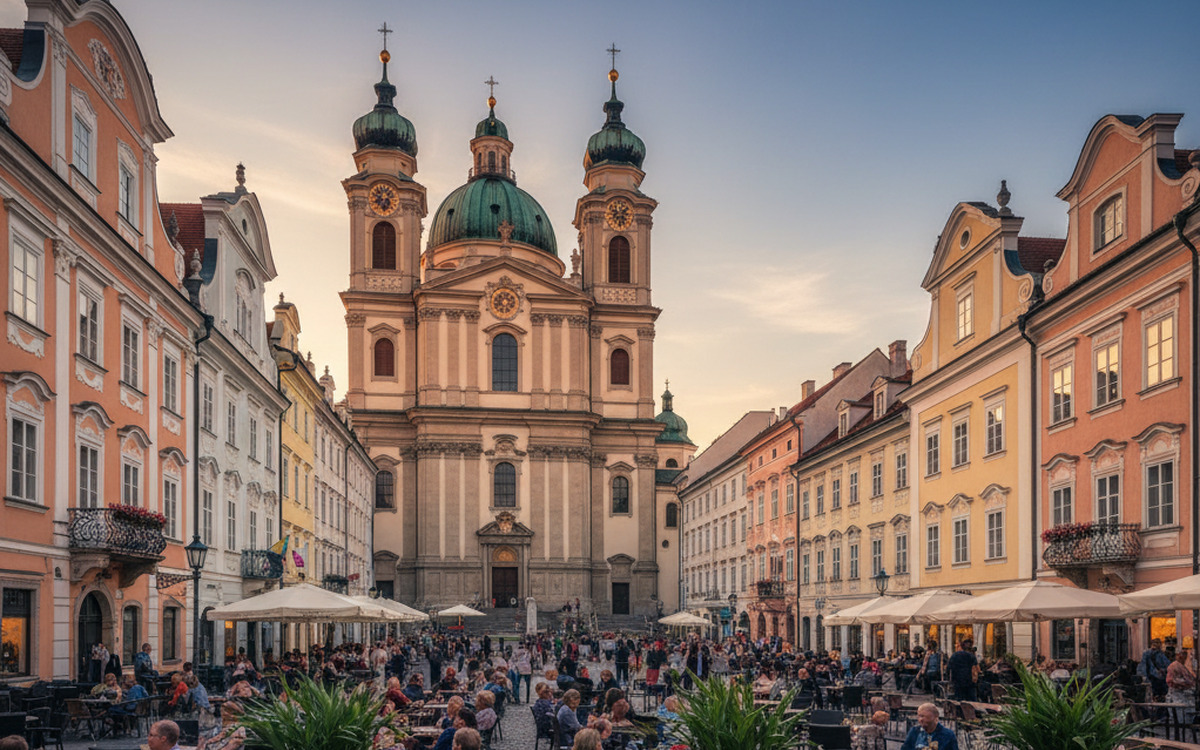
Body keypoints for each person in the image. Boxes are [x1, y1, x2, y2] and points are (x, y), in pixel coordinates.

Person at [1166, 648, 1196, 722]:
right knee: (1180, 718)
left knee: (1188, 717)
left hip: (1186, 697)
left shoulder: (1184, 666)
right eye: (1183, 654)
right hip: (1177, 695)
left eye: (1186, 655)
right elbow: (1171, 680)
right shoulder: (1174, 666)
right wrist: (1185, 683)